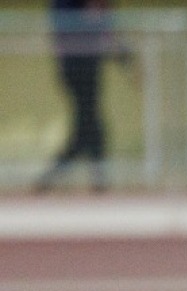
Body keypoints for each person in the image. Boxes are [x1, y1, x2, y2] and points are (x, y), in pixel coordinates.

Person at [35, 0, 119, 194]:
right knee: (90, 125)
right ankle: (98, 182)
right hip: (74, 67)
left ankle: (55, 179)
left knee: (87, 126)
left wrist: (121, 51)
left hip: (91, 66)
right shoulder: (65, 5)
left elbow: (106, 28)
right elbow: (65, 28)